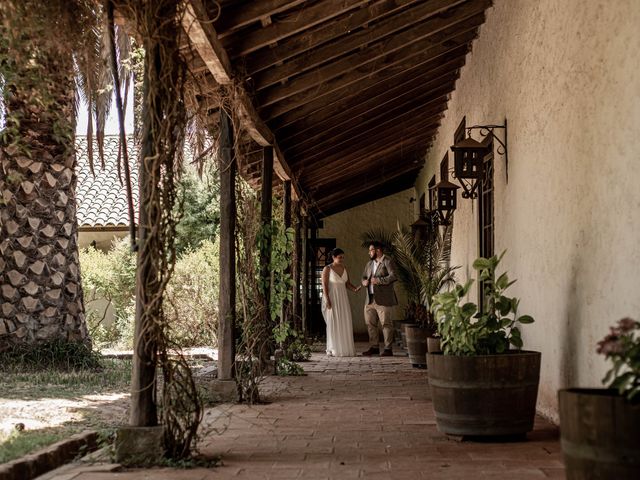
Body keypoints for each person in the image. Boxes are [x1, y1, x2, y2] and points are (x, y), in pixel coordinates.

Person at [321, 248, 361, 357]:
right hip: (333, 298)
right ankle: (333, 348)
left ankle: (345, 347)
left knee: (344, 320)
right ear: (334, 257)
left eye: (343, 257)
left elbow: (347, 283)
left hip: (343, 298)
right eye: (340, 257)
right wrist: (327, 299)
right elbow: (324, 285)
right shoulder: (327, 269)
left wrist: (355, 289)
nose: (342, 259)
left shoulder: (344, 268)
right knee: (333, 321)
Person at [361, 241, 398, 356]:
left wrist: (379, 281)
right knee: (370, 324)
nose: (369, 253)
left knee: (386, 324)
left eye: (371, 250)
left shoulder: (388, 261)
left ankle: (388, 349)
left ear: (378, 250)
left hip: (383, 299)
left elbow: (394, 276)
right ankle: (374, 346)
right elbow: (363, 277)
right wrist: (364, 282)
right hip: (370, 299)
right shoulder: (369, 264)